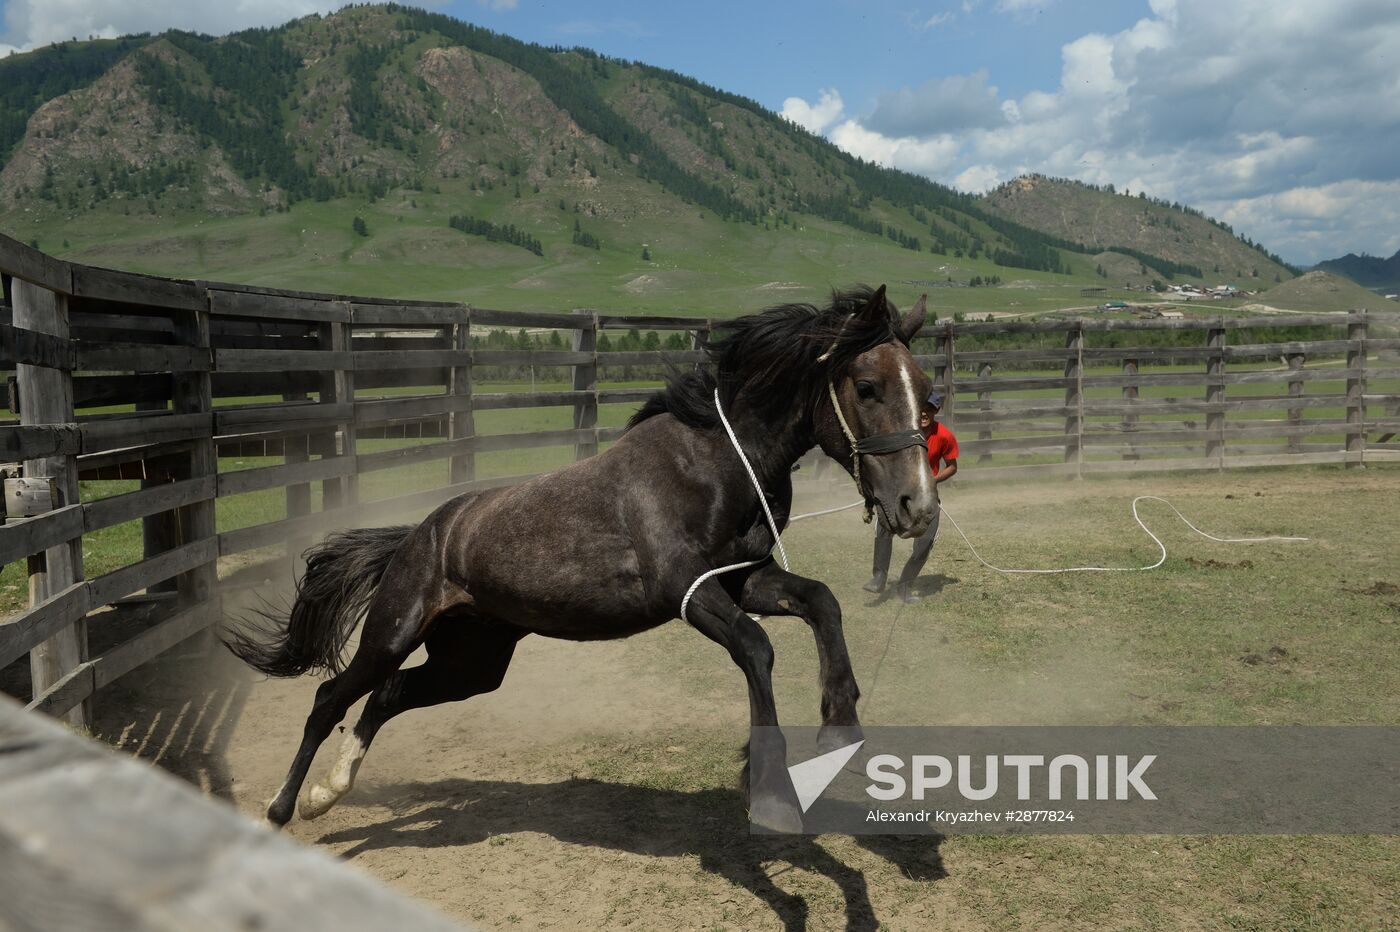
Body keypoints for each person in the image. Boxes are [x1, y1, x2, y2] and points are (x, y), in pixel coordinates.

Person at [863, 390, 958, 603]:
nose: (924, 413)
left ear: (936, 411)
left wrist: (932, 480)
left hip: (926, 495)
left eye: (930, 409)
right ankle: (879, 577)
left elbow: (952, 467)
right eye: (922, 407)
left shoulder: (944, 436)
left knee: (925, 542)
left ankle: (904, 586)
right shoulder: (901, 432)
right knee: (885, 527)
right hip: (898, 492)